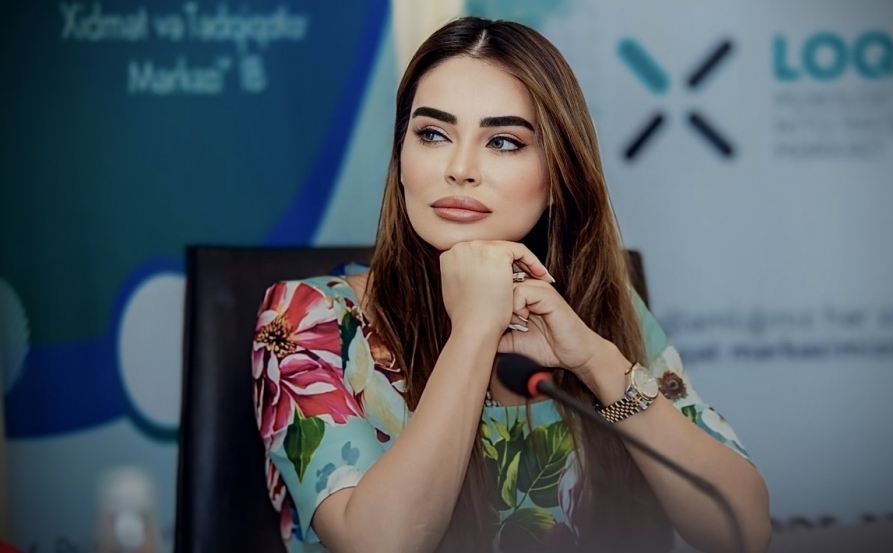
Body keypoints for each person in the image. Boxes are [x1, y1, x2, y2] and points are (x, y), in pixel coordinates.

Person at [252, 16, 770, 553]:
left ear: (558, 176)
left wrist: (595, 360)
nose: (460, 168)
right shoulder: (308, 319)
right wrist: (474, 330)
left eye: (503, 141)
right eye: (433, 134)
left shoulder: (598, 304)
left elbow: (741, 530)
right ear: (400, 157)